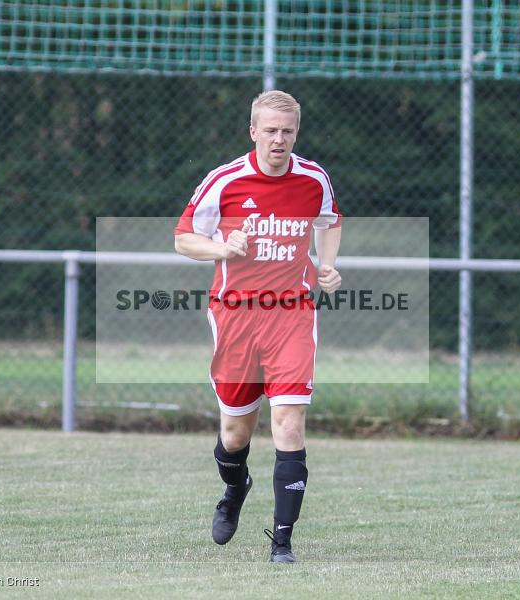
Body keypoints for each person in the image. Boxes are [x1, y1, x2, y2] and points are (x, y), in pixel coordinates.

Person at [174, 90, 342, 563]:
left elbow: (330, 221)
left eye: (287, 131)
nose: (279, 139)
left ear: (297, 133)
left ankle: (283, 543)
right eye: (270, 130)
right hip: (235, 316)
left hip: (292, 313)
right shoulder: (224, 181)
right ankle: (234, 488)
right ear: (253, 131)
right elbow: (184, 239)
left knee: (289, 421)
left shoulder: (313, 178)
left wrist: (327, 266)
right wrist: (222, 250)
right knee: (235, 434)